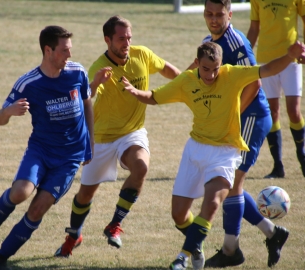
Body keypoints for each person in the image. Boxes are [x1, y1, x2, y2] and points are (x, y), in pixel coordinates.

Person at [121, 41, 305, 270]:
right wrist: (134, 91)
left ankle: (183, 256)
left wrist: (289, 56)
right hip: (195, 150)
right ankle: (196, 246)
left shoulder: (232, 75)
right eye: (206, 69)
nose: (211, 75)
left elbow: (266, 70)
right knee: (178, 214)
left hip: (225, 153)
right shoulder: (186, 81)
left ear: (222, 65)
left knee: (212, 203)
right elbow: (154, 96)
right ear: (197, 63)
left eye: (216, 68)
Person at [53, 15, 181, 258]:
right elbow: (83, 98)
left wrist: (187, 79)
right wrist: (95, 83)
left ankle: (114, 225)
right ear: (107, 40)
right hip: (101, 137)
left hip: (132, 133)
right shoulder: (99, 66)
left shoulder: (142, 54)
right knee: (86, 194)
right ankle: (74, 235)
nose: (127, 43)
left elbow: (166, 69)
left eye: (129, 37)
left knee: (141, 167)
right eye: (121, 38)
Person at [0, 26, 94, 270]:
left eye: (70, 50)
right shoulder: (29, 83)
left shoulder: (77, 72)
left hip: (69, 158)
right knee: (20, 193)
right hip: (41, 151)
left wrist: (91, 142)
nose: (69, 55)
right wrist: (9, 111)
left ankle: (0, 258)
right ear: (48, 50)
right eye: (64, 50)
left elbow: (88, 103)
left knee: (37, 209)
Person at [183, 0, 289, 268]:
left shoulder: (236, 43)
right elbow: (196, 70)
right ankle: (271, 233)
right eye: (209, 14)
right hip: (241, 120)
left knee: (231, 183)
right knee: (230, 183)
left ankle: (231, 250)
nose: (214, 19)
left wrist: (233, 114)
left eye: (220, 14)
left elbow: (254, 83)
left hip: (252, 117)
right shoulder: (211, 40)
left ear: (230, 14)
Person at [247, 0, 305, 179]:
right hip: (266, 61)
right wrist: (245, 55)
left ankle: (302, 157)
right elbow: (254, 28)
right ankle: (277, 166)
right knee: (272, 112)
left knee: (294, 111)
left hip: (291, 59)